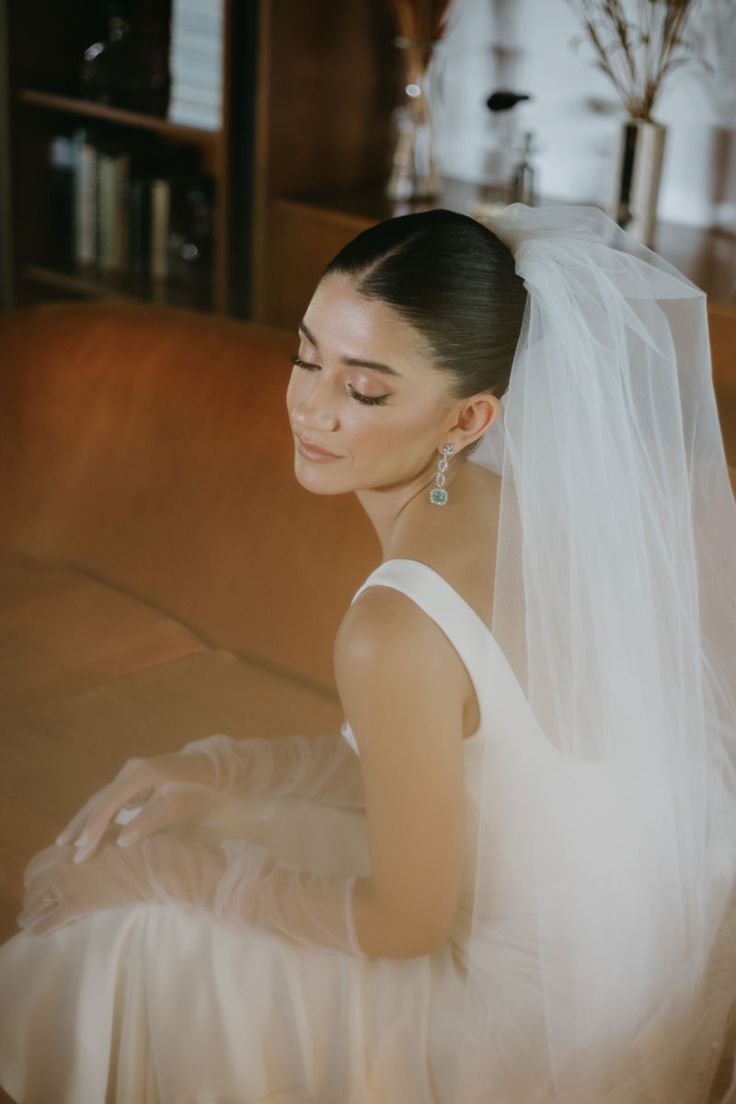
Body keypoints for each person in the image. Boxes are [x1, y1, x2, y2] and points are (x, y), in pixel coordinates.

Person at [0, 204, 734, 1104]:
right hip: (611, 992)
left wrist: (172, 878)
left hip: (506, 1042)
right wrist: (223, 769)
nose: (310, 405)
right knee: (199, 822)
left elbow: (405, 925)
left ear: (469, 416)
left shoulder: (394, 626)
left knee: (130, 928)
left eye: (366, 389)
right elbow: (463, 775)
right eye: (307, 356)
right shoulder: (529, 517)